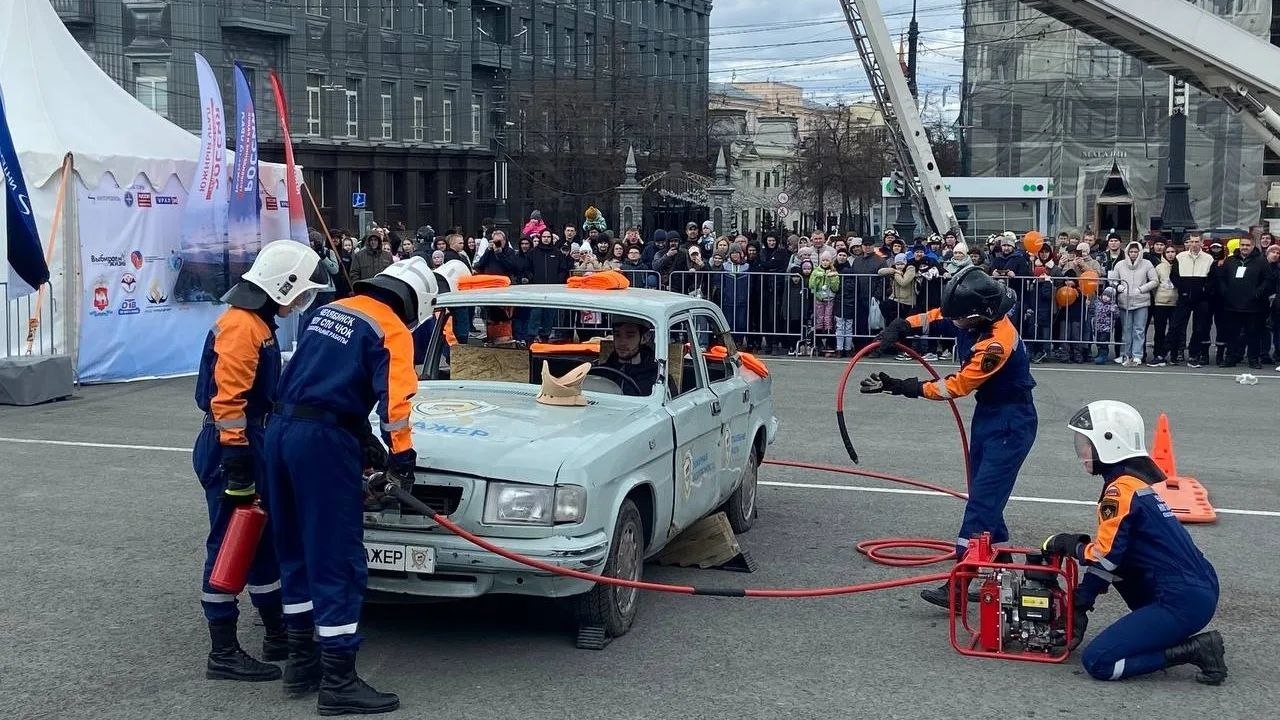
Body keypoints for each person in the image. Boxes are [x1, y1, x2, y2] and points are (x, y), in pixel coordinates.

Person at [262, 257, 470, 715]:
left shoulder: (331, 310)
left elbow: (314, 380)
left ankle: (302, 663)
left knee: (294, 548)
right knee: (338, 557)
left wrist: (361, 437)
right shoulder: (391, 328)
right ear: (413, 302)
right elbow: (396, 404)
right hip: (322, 444)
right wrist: (401, 458)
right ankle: (338, 681)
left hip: (281, 431)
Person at [861, 265, 1036, 609]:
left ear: (978, 316)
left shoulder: (996, 344)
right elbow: (938, 316)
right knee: (985, 495)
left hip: (1011, 422)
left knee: (982, 502)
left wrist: (902, 387)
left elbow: (956, 386)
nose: (955, 323)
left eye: (962, 320)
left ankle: (959, 584)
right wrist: (902, 326)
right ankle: (1001, 565)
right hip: (990, 417)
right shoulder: (973, 315)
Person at [193, 240, 326, 682]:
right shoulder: (242, 327)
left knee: (261, 541)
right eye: (300, 291)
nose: (302, 300)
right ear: (281, 287)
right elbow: (227, 401)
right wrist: (236, 456)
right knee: (230, 543)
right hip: (234, 443)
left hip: (249, 440)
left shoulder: (256, 323)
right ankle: (222, 652)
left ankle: (275, 633)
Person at [1043, 401, 1226, 684]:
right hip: (1195, 588)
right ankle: (1160, 630)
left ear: (1109, 443)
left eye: (1085, 443)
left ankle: (1196, 650)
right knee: (1121, 564)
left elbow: (1105, 554)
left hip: (1181, 599)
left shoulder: (1120, 492)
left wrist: (1071, 546)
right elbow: (1117, 558)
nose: (1081, 452)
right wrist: (1082, 601)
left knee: (1099, 661)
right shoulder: (1133, 485)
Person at [597, 316, 660, 396]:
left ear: (644, 338)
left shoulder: (657, 379)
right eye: (617, 335)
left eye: (630, 336)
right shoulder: (601, 372)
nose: (622, 342)